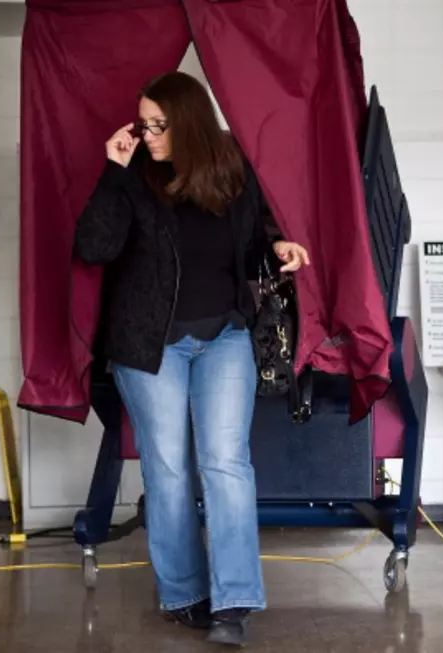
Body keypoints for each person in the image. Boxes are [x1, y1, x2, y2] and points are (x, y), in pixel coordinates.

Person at [73, 71, 310, 647]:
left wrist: (279, 243)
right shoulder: (133, 177)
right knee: (170, 469)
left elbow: (254, 237)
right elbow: (92, 248)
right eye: (145, 123)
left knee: (226, 464)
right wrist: (113, 170)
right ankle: (184, 594)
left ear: (190, 121)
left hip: (225, 335)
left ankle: (234, 602)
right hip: (148, 344)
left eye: (160, 124)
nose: (149, 134)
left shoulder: (232, 169)